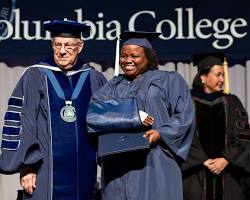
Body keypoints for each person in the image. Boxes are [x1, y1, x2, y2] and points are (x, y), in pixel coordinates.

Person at [0, 19, 107, 200]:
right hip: (44, 170)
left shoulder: (93, 77)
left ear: (80, 47)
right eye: (57, 45)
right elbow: (22, 120)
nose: (62, 51)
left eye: (68, 46)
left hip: (84, 170)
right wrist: (27, 166)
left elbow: (106, 121)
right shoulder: (36, 74)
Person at [86, 31, 195, 200]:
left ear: (148, 58)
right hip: (118, 165)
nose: (127, 60)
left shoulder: (169, 80)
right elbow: (93, 115)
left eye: (134, 56)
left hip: (155, 160)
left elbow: (185, 116)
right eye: (123, 56)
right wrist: (134, 116)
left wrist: (161, 133)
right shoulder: (112, 86)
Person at [182, 52, 250, 200]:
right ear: (203, 76)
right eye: (218, 75)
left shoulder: (232, 102)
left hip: (228, 173)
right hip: (196, 174)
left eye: (223, 75)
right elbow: (180, 134)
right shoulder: (186, 102)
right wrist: (201, 159)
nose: (222, 79)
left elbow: (243, 134)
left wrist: (226, 159)